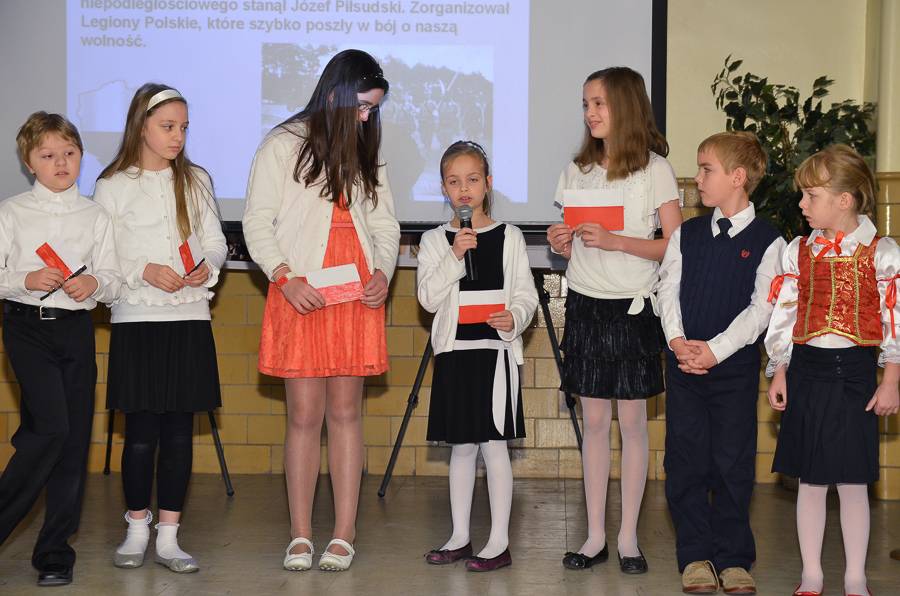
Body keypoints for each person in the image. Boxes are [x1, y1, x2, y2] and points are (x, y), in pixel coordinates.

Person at [242, 49, 400, 572]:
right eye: (361, 106)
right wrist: (284, 277)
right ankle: (300, 535)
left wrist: (382, 272)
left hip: (355, 296)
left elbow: (385, 225)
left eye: (373, 109)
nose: (366, 118)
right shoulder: (282, 144)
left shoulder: (368, 150)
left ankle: (344, 533)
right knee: (304, 416)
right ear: (334, 94)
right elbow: (256, 222)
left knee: (346, 413)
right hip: (301, 292)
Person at [546, 66, 682, 574]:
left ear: (625, 106)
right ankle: (595, 535)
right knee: (596, 422)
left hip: (632, 307)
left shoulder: (655, 169)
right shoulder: (577, 169)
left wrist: (617, 241)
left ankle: (628, 538)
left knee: (633, 423)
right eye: (585, 104)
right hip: (586, 303)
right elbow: (569, 238)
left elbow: (675, 246)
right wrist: (561, 241)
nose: (590, 113)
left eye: (599, 103)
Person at [94, 83, 227, 573]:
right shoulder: (112, 185)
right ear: (141, 126)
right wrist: (144, 270)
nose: (178, 137)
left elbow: (214, 241)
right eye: (168, 126)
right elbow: (102, 257)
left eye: (184, 128)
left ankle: (169, 537)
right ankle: (136, 529)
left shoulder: (196, 180)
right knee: (140, 434)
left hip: (188, 318)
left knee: (177, 435)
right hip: (137, 318)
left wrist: (207, 267)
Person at [765, 144, 900, 596]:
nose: (802, 204)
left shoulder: (881, 252)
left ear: (844, 200)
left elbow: (894, 319)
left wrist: (891, 380)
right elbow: (785, 312)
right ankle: (812, 574)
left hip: (854, 374)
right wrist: (780, 368)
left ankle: (855, 577)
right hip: (807, 370)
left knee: (852, 479)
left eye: (811, 196)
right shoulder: (799, 251)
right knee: (810, 478)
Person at [658, 131, 785, 594]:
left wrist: (714, 350)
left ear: (737, 177)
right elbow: (667, 289)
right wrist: (678, 341)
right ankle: (694, 555)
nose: (697, 178)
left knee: (732, 463)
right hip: (684, 367)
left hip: (732, 370)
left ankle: (733, 558)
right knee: (685, 461)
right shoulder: (687, 235)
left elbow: (761, 309)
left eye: (706, 169)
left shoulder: (770, 240)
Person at [0, 112, 120, 586]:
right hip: (25, 327)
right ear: (29, 163)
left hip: (75, 329)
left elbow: (112, 279)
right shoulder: (11, 212)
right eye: (48, 155)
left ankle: (54, 551)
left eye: (69, 153)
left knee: (71, 440)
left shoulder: (95, 215)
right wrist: (25, 278)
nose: (60, 163)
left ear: (81, 156)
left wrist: (95, 283)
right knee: (50, 428)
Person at [418, 141, 537, 572]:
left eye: (472, 179)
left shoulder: (509, 236)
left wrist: (515, 317)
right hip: (456, 354)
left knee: (494, 445)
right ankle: (460, 536)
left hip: (494, 354)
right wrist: (455, 254)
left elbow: (525, 295)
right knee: (462, 448)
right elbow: (428, 298)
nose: (463, 189)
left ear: (487, 184)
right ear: (444, 189)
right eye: (454, 182)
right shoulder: (435, 241)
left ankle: (499, 542)